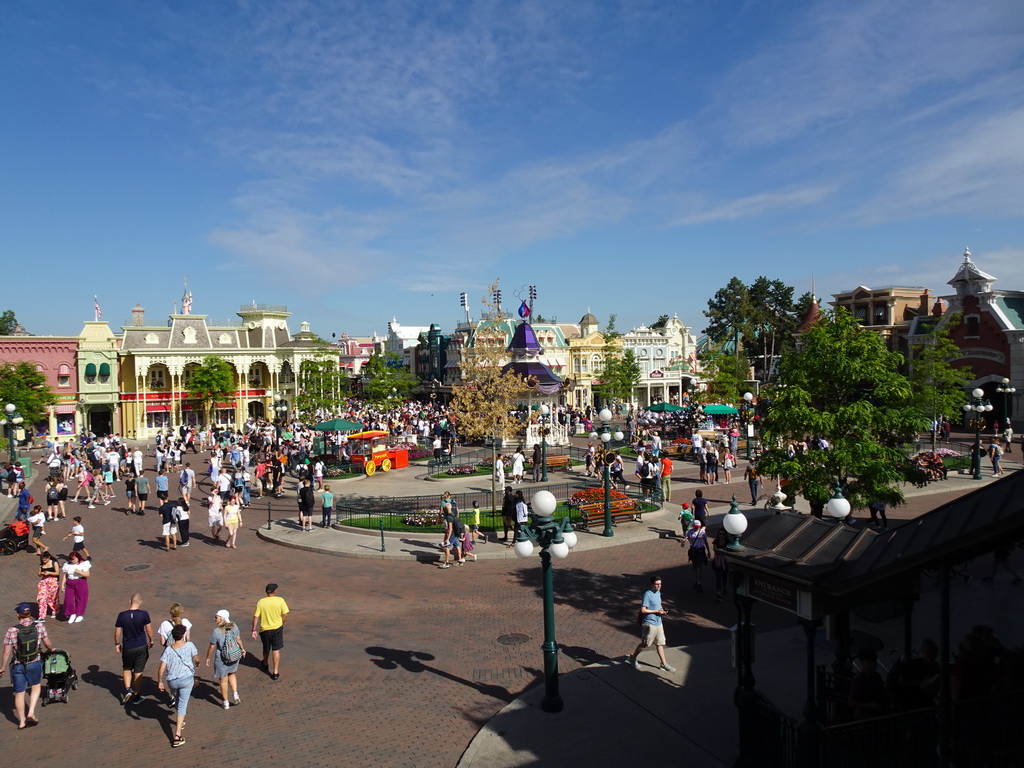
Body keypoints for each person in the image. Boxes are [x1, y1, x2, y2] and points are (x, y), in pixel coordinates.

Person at [1, 602, 55, 728]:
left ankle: (21, 722)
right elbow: (47, 642)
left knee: (19, 692)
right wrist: (51, 649)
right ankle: (30, 711)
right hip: (34, 661)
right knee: (36, 686)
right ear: (30, 614)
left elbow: (6, 652)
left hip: (18, 664)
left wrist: (2, 667)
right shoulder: (39, 626)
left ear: (18, 615)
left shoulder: (12, 630)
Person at [157, 624, 198, 748]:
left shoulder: (168, 649)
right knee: (183, 704)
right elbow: (196, 658)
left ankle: (181, 720)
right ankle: (177, 735)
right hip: (186, 679)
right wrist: (197, 662)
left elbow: (161, 667)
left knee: (177, 700)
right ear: (183, 635)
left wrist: (160, 681)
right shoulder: (190, 645)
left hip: (172, 681)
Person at [624, 576, 675, 673]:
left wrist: (662, 610)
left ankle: (664, 664)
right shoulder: (648, 594)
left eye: (660, 584)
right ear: (652, 584)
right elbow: (643, 610)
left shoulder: (658, 593)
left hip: (658, 622)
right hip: (650, 623)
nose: (659, 586)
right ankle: (633, 658)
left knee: (660, 643)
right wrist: (656, 611)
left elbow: (659, 604)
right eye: (657, 584)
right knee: (645, 643)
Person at [114, 593, 153, 705]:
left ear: (129, 601)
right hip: (141, 645)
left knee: (126, 668)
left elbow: (117, 632)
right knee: (138, 671)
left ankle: (127, 690)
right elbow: (149, 630)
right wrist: (151, 640)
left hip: (128, 646)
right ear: (140, 602)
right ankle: (137, 694)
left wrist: (117, 643)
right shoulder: (144, 614)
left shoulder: (122, 615)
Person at [206, 609, 246, 710]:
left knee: (223, 680)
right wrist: (242, 649)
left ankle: (226, 702)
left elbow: (212, 646)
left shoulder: (216, 631)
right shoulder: (234, 626)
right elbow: (238, 639)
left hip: (222, 658)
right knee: (232, 673)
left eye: (216, 617)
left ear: (222, 618)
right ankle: (236, 695)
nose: (214, 619)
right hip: (234, 654)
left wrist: (208, 657)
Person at [252, 583, 288, 681]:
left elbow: (256, 617)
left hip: (265, 630)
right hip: (277, 628)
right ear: (275, 592)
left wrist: (254, 629)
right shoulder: (280, 600)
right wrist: (281, 622)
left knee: (266, 648)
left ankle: (265, 663)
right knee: (276, 650)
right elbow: (285, 614)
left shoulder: (261, 602)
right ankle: (275, 672)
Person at [60, 550, 91, 622]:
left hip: (80, 581)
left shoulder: (83, 564)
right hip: (70, 582)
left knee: (81, 598)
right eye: (71, 559)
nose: (72, 561)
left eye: (74, 559)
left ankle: (79, 614)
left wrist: (80, 572)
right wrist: (62, 584)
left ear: (78, 558)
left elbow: (87, 574)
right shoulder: (67, 565)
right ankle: (72, 613)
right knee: (68, 599)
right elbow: (66, 575)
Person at [685, 520, 709, 592]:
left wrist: (708, 551)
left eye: (698, 527)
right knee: (695, 566)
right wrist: (683, 542)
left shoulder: (702, 532)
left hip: (700, 550)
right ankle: (696, 579)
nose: (696, 528)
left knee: (699, 566)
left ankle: (699, 581)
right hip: (693, 550)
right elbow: (685, 540)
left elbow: (705, 541)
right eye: (695, 527)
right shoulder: (689, 532)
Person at [36, 552, 61, 621]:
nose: (44, 561)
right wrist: (41, 573)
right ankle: (41, 615)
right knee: (41, 598)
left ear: (48, 557)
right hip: (44, 581)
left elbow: (57, 573)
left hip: (53, 581)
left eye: (45, 559)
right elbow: (38, 574)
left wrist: (49, 573)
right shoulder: (41, 565)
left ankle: (55, 610)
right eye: (42, 560)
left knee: (53, 597)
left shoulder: (54, 563)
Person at [710, 528, 730, 601]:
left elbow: (728, 552)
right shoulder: (716, 542)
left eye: (723, 534)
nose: (721, 535)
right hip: (718, 560)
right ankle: (719, 592)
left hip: (725, 561)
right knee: (718, 577)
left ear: (725, 535)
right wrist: (716, 561)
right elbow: (715, 551)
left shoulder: (728, 542)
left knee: (724, 576)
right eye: (720, 534)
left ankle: (724, 587)